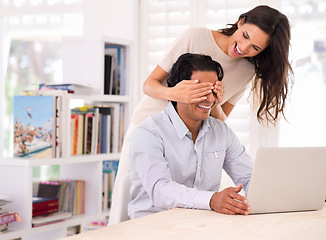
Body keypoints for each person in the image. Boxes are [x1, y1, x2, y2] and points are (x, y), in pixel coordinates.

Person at [128, 53, 253, 219]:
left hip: (200, 226)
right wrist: (211, 200)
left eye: (213, 90)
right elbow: (160, 190)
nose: (209, 99)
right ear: (178, 91)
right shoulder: (149, 133)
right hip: (153, 227)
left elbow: (250, 177)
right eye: (199, 90)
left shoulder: (221, 132)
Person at [140, 4, 293, 125]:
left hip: (186, 143)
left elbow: (220, 120)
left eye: (256, 47)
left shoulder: (247, 71)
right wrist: (175, 93)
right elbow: (148, 85)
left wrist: (215, 102)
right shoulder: (195, 36)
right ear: (241, 22)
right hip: (148, 125)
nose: (244, 47)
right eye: (245, 36)